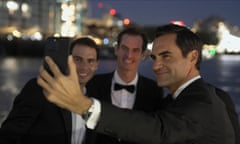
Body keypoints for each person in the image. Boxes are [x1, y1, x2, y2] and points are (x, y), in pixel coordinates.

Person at [37, 24, 235, 144]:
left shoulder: (203, 101)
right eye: (154, 57)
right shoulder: (181, 99)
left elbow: (157, 130)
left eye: (166, 56)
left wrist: (82, 105)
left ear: (193, 57)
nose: (156, 65)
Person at [0, 37, 99, 144]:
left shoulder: (96, 98)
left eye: (90, 61)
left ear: (97, 65)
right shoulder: (39, 89)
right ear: (68, 60)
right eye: (78, 59)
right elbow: (8, 135)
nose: (84, 67)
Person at [86, 27, 163, 144]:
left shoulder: (155, 90)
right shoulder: (94, 84)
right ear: (116, 49)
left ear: (143, 54)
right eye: (124, 48)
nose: (128, 55)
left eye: (135, 50)